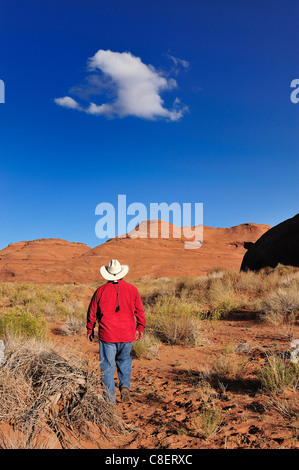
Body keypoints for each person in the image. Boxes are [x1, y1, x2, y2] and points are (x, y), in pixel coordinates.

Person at [86, 259, 146, 403]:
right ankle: (124, 386)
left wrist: (90, 329)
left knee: (107, 365)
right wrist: (140, 327)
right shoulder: (132, 289)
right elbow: (140, 311)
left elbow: (92, 312)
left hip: (108, 335)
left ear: (108, 274)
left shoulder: (100, 290)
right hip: (127, 333)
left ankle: (109, 399)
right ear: (122, 274)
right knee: (124, 360)